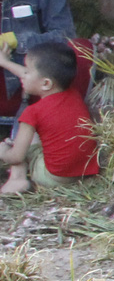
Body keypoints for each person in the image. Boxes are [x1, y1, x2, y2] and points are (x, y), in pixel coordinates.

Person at [0, 40, 97, 195]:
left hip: (53, 177)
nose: (23, 75)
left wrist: (4, 151)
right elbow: (30, 76)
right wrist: (5, 62)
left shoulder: (33, 112)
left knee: (16, 144)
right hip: (85, 171)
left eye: (28, 72)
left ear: (45, 83)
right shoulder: (73, 93)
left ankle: (16, 180)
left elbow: (17, 157)